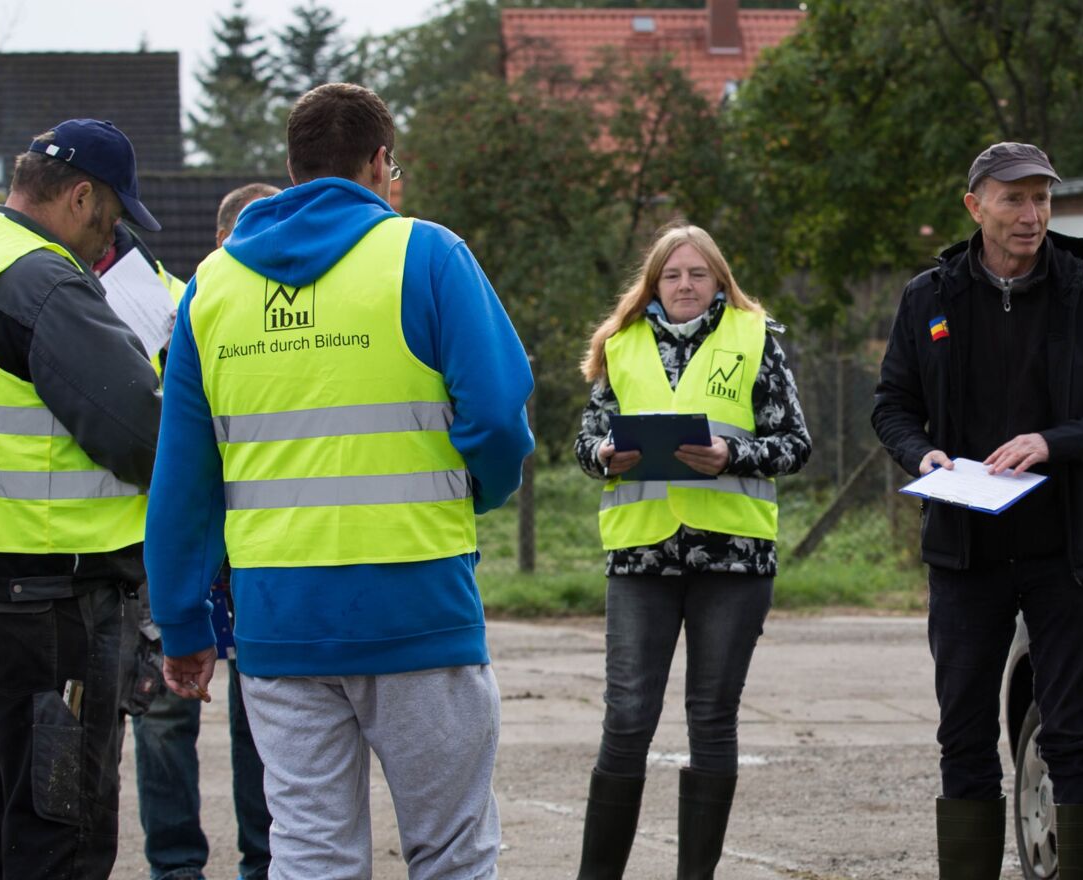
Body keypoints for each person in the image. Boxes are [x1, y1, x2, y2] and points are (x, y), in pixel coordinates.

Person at [145, 83, 534, 879]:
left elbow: (182, 478)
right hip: (418, 605)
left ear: (291, 170)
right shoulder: (427, 256)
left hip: (280, 622)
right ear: (382, 163)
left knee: (312, 854)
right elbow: (497, 416)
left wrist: (183, 626)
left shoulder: (210, 289)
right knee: (451, 852)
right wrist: (476, 492)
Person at [871, 142, 1083, 879]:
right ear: (975, 207)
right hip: (966, 552)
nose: (1030, 215)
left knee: (1069, 731)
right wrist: (922, 455)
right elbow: (891, 405)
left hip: (1066, 551)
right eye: (1013, 199)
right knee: (964, 736)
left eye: (1041, 198)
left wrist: (1054, 442)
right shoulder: (928, 298)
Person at [0, 118, 164, 879]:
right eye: (111, 219)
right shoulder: (43, 277)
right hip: (50, 586)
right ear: (81, 196)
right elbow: (137, 431)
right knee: (58, 823)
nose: (106, 241)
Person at [571, 222, 811, 880]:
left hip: (732, 560)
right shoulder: (621, 345)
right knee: (626, 719)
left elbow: (794, 443)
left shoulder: (755, 337)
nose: (684, 285)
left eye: (697, 274)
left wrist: (731, 455)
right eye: (672, 275)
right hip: (641, 560)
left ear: (718, 282)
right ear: (654, 284)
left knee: (711, 717)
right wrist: (603, 454)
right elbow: (585, 444)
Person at [131, 183, 280, 880]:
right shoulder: (179, 311)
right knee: (163, 717)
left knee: (266, 723)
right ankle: (177, 868)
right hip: (183, 551)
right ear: (220, 246)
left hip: (258, 554)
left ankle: (266, 862)